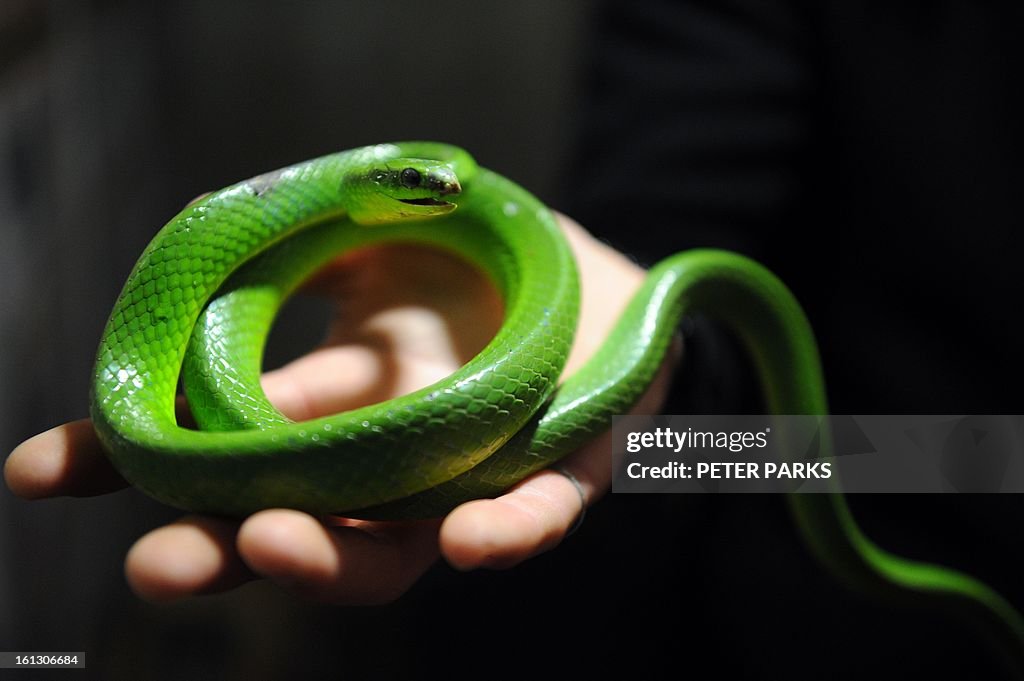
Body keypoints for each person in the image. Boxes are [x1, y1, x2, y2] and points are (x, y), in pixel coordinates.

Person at [3, 214, 677, 604]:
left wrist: (672, 399)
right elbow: (780, 458)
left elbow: (782, 464)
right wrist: (687, 391)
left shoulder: (781, 462)